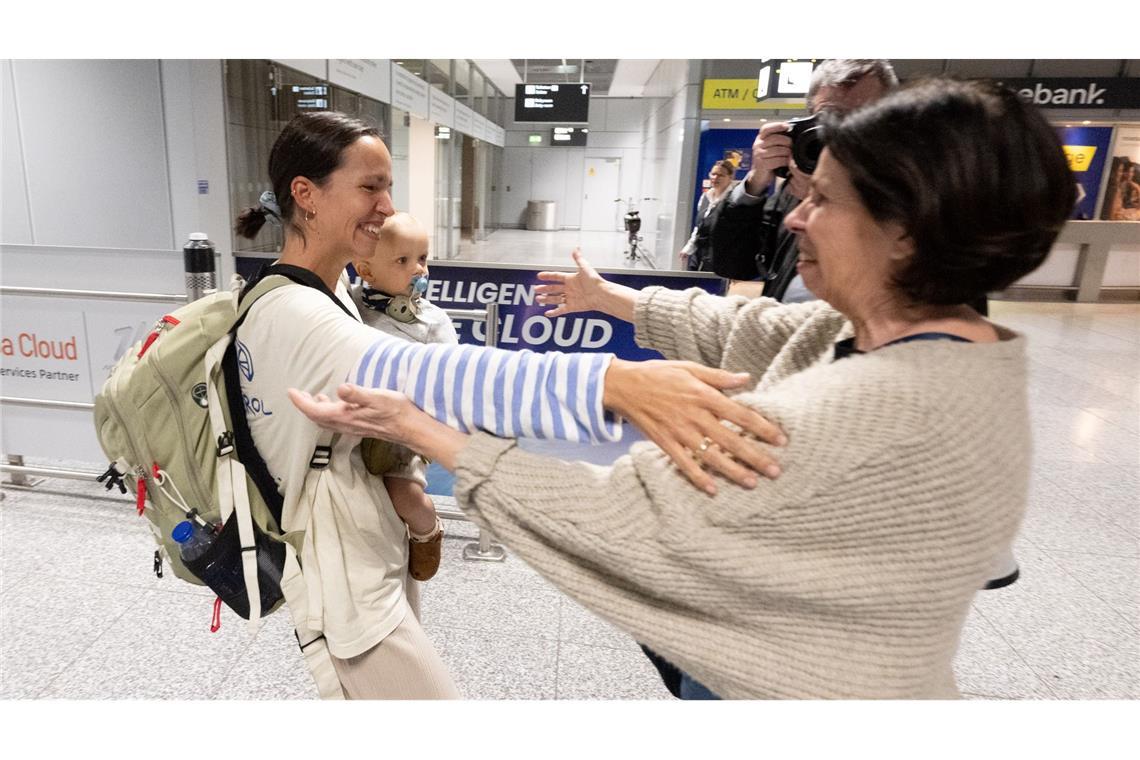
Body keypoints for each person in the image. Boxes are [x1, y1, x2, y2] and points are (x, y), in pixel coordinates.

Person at [290, 79, 1076, 699]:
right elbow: (752, 333)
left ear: (909, 226)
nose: (796, 218)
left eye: (824, 199)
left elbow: (620, 524)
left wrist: (424, 429)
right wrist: (614, 302)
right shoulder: (919, 337)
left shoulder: (875, 405)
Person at [232, 111, 785, 699]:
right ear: (306, 194)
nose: (388, 206)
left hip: (373, 537)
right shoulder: (291, 310)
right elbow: (435, 376)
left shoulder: (335, 288)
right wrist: (613, 384)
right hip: (338, 573)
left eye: (388, 186)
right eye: (370, 186)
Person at [712, 59, 898, 302]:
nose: (842, 135)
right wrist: (756, 182)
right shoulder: (796, 184)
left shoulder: (912, 197)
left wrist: (826, 200)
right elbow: (734, 265)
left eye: (862, 119)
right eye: (829, 119)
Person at [350, 212, 456, 583]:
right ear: (366, 270)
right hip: (354, 426)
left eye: (423, 258)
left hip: (401, 433)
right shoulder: (349, 306)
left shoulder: (432, 322)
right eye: (403, 261)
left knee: (402, 493)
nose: (419, 270)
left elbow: (448, 378)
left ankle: (427, 528)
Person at [679, 159, 736, 272]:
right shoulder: (705, 197)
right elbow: (699, 227)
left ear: (730, 178)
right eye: (713, 174)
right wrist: (689, 248)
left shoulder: (733, 200)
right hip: (700, 253)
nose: (715, 178)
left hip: (720, 256)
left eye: (720, 175)